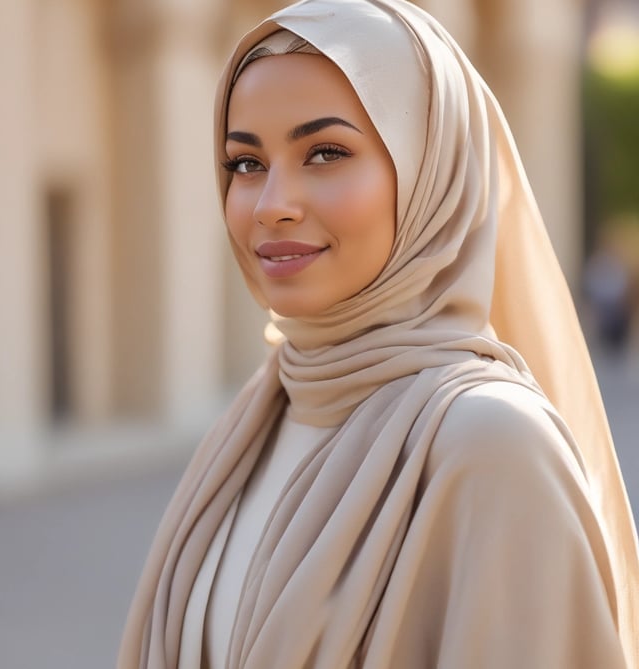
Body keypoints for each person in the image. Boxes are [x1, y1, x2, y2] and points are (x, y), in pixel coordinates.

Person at [118, 1, 639, 666]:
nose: (273, 203)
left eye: (325, 153)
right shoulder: (261, 414)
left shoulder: (491, 446)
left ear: (431, 173)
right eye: (246, 162)